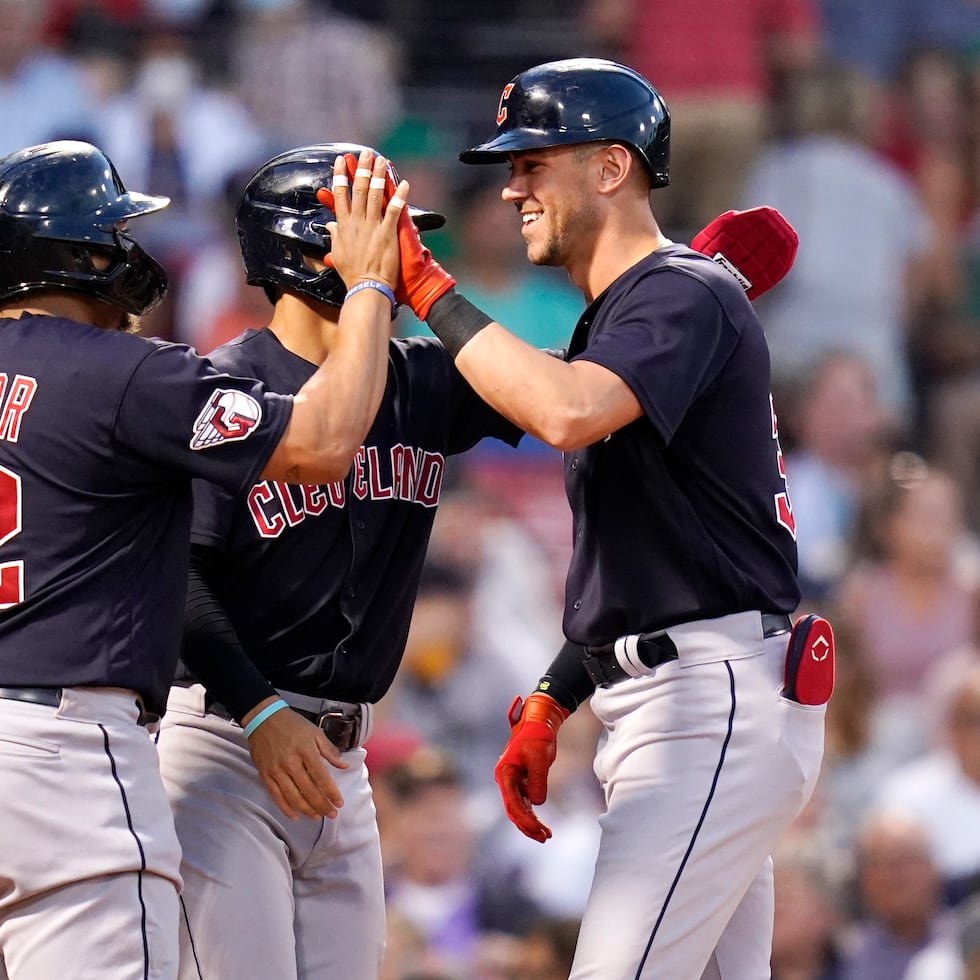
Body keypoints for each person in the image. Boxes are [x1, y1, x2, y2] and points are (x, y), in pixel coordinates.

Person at [384, 57, 833, 978]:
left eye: (533, 162)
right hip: (677, 699)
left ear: (610, 166)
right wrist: (556, 693)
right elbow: (643, 557)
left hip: (709, 706)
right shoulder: (630, 315)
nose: (510, 188)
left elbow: (563, 412)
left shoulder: (682, 290)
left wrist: (428, 290)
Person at [0, 139, 407, 978]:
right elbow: (325, 442)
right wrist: (368, 284)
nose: (129, 250)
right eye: (113, 231)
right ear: (78, 254)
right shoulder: (123, 375)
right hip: (65, 757)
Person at [154, 142, 524, 980]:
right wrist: (255, 710)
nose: (402, 258)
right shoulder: (224, 387)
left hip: (345, 762)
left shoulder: (420, 381)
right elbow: (174, 572)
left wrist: (667, 289)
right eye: (380, 237)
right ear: (306, 252)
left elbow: (562, 390)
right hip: (225, 744)